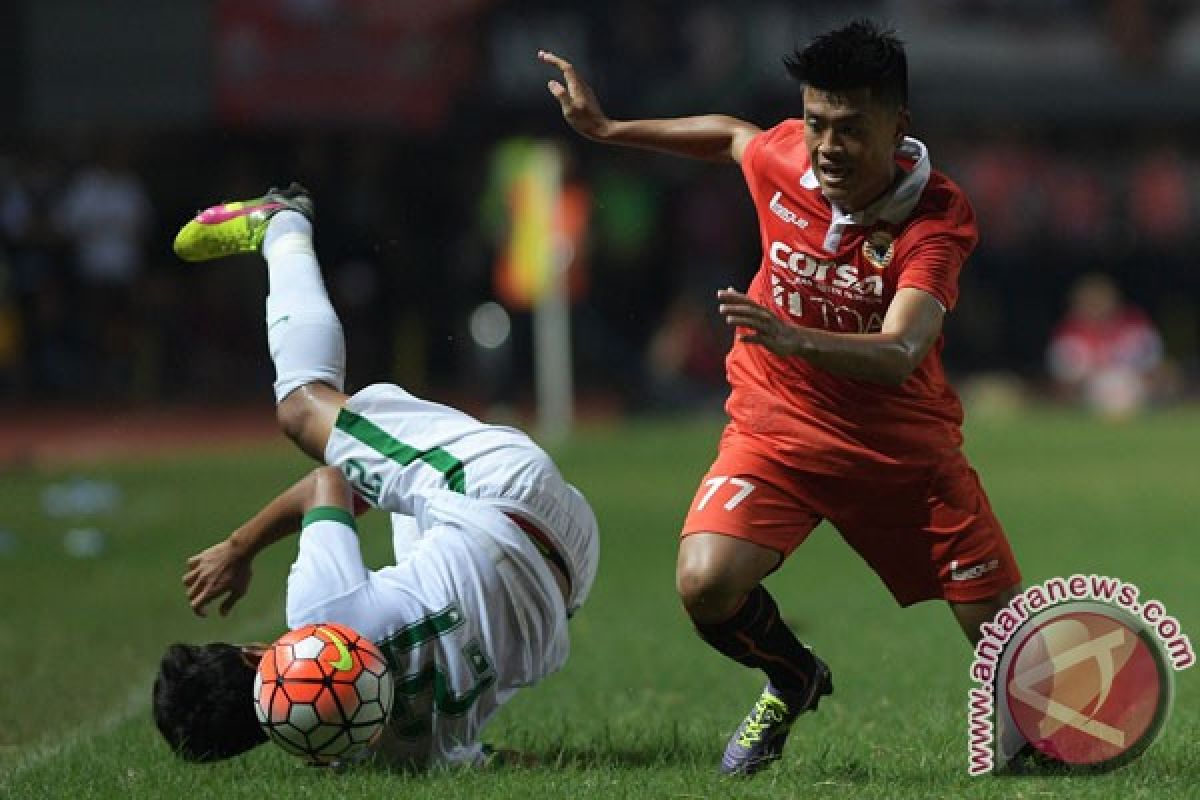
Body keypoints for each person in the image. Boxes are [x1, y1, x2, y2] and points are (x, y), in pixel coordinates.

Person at [540, 19, 1022, 776]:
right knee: (704, 583)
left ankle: (1039, 737)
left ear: (899, 125)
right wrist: (607, 128)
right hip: (779, 423)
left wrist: (795, 338)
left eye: (851, 129)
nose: (827, 146)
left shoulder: (936, 217)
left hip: (899, 446)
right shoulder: (787, 155)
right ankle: (792, 676)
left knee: (1008, 644)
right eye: (817, 122)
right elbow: (733, 135)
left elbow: (901, 353)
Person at [152, 184, 600, 769]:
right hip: (499, 492)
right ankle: (282, 225)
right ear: (251, 656)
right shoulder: (316, 620)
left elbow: (505, 763)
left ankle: (397, 485)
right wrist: (242, 547)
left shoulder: (388, 757)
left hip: (573, 569)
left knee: (403, 527)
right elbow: (327, 483)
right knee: (302, 411)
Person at [1046, 272, 1167, 419]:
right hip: (1088, 400)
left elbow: (1155, 370)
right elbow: (1063, 381)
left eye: (1101, 300)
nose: (1097, 307)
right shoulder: (1069, 333)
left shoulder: (1134, 326)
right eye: (1090, 302)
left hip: (1137, 396)